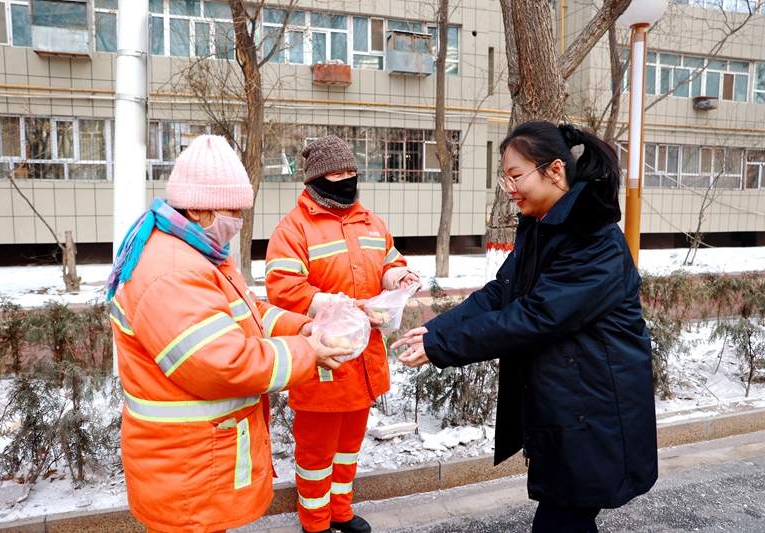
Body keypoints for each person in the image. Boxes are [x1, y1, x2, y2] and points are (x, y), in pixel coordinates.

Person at [392, 122, 658, 533]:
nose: (510, 188)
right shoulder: (543, 226)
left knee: (563, 516)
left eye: (516, 176)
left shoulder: (594, 239)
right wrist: (437, 330)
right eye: (505, 178)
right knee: (566, 511)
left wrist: (445, 346)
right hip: (568, 403)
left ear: (554, 171)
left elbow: (537, 316)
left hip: (595, 407)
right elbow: (503, 292)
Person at [105, 135, 351, 533]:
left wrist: (305, 326)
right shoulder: (174, 271)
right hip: (186, 470)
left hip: (196, 462)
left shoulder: (197, 253)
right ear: (199, 207)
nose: (237, 219)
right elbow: (222, 363)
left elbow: (248, 315)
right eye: (232, 209)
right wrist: (307, 352)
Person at [265, 135, 420, 533]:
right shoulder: (293, 228)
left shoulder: (370, 221)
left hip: (364, 361)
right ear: (317, 180)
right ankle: (315, 523)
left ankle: (341, 512)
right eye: (338, 174)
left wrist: (398, 276)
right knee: (316, 452)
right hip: (322, 361)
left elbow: (389, 260)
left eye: (352, 172)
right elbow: (283, 288)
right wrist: (334, 306)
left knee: (349, 448)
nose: (348, 180)